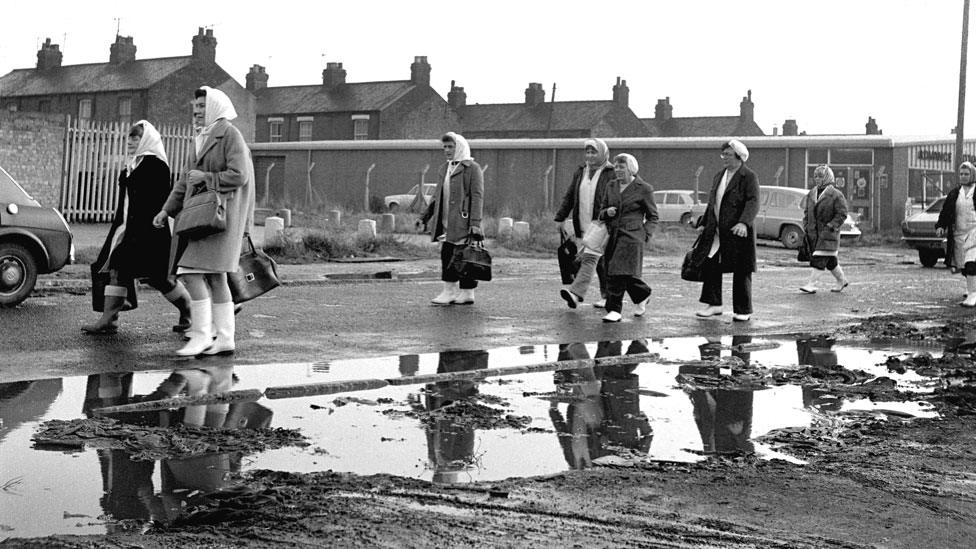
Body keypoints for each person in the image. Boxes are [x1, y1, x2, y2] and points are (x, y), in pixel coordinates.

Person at [152, 86, 255, 356]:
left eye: (202, 107)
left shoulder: (230, 135)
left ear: (215, 108)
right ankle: (224, 338)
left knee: (191, 272)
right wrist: (166, 210)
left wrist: (207, 178)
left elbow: (239, 174)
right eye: (195, 108)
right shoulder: (201, 137)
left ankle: (201, 334)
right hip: (203, 217)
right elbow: (186, 178)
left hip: (221, 219)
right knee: (216, 277)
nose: (196, 112)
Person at [82, 120, 191, 335]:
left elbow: (157, 202)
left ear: (147, 140)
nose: (130, 141)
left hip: (149, 232)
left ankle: (189, 311)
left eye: (136, 137)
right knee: (116, 269)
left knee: (159, 279)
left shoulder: (157, 166)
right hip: (126, 229)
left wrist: (137, 230)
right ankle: (109, 319)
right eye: (129, 137)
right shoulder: (133, 164)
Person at [690, 140, 759, 322]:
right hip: (716, 230)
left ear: (739, 157)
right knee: (711, 263)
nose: (724, 158)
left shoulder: (748, 177)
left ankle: (743, 310)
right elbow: (712, 203)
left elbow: (753, 202)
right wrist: (704, 223)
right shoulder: (719, 175)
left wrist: (744, 223)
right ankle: (714, 304)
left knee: (741, 270)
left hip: (738, 232)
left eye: (728, 154)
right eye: (724, 154)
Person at [418, 132, 484, 305]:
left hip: (463, 221)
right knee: (447, 254)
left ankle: (467, 291)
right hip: (446, 220)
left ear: (459, 147)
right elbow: (436, 197)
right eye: (444, 147)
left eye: (450, 146)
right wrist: (424, 218)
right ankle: (449, 290)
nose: (447, 150)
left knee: (464, 256)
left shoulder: (472, 168)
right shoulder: (444, 168)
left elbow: (477, 197)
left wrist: (475, 224)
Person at [554, 138, 614, 309]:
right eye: (587, 152)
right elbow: (570, 195)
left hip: (602, 225)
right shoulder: (581, 171)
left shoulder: (611, 172)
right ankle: (635, 293)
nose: (589, 155)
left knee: (590, 258)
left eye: (593, 152)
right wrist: (560, 217)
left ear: (602, 153)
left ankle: (575, 293)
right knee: (600, 262)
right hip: (583, 223)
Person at [597, 153, 658, 323]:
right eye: (616, 167)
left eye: (621, 167)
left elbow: (653, 216)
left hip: (632, 236)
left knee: (616, 272)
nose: (617, 170)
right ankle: (643, 294)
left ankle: (614, 310)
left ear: (630, 169)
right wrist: (606, 212)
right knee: (621, 272)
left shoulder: (644, 188)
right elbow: (601, 211)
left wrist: (645, 234)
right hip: (613, 234)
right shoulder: (611, 186)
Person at [799, 165, 850, 294]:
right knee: (831, 262)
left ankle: (811, 284)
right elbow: (807, 212)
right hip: (814, 234)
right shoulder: (811, 193)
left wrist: (831, 226)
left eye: (820, 176)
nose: (817, 179)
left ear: (828, 177)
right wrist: (806, 225)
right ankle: (842, 280)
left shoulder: (836, 195)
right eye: (815, 176)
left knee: (819, 260)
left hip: (828, 235)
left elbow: (842, 214)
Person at [936, 161, 976, 307]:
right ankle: (972, 287)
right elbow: (946, 211)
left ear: (973, 174)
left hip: (974, 232)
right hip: (959, 233)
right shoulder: (955, 193)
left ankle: (972, 295)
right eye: (961, 174)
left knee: (971, 262)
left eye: (967, 174)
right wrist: (941, 225)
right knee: (963, 265)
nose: (964, 176)